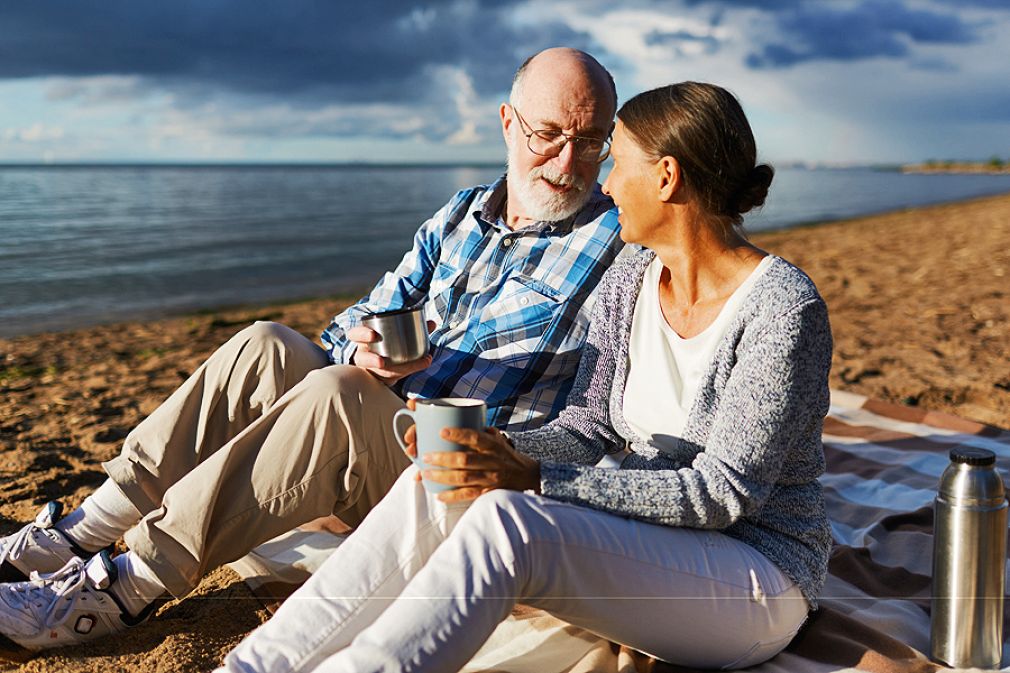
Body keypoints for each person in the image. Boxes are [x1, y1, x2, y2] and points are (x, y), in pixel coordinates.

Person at [0, 47, 626, 657]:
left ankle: (120, 590)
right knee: (267, 344)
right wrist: (367, 350)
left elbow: (602, 420)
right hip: (384, 433)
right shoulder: (461, 214)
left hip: (466, 476)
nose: (567, 163)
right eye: (548, 135)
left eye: (591, 141)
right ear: (507, 123)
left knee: (340, 394)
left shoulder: (619, 244)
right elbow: (354, 323)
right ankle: (81, 533)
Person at [218, 81, 834, 673]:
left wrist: (535, 478)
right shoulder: (633, 279)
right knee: (441, 478)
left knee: (507, 524)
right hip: (653, 538)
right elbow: (591, 426)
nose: (607, 183)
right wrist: (491, 453)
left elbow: (721, 494)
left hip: (755, 575)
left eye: (616, 161)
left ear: (666, 177)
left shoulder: (781, 308)